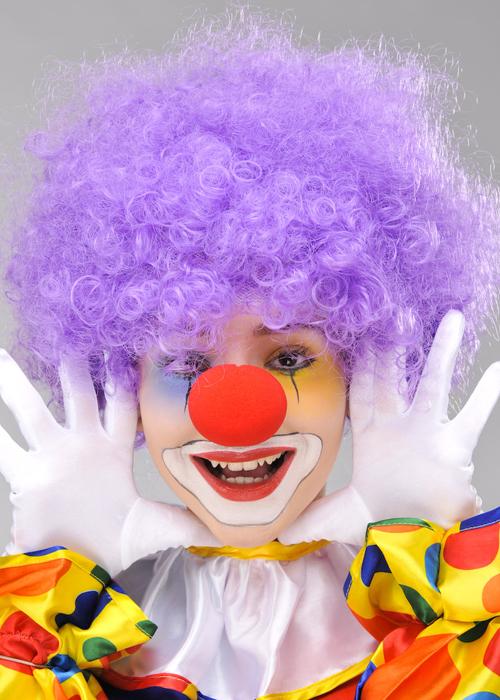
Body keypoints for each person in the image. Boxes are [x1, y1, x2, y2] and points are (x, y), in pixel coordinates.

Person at [0, 7, 499, 699]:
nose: (237, 413)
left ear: (361, 370)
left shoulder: (428, 610)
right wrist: (53, 575)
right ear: (125, 386)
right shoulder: (83, 630)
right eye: (186, 365)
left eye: (289, 358)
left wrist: (430, 544)